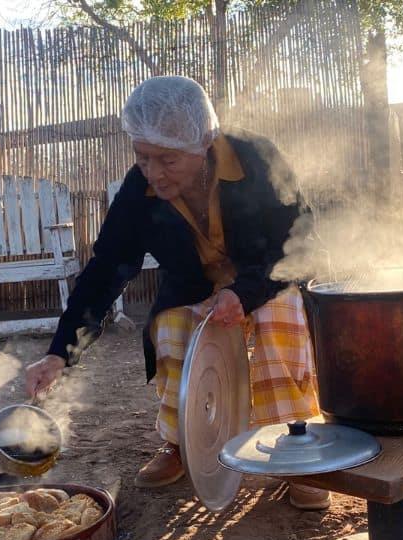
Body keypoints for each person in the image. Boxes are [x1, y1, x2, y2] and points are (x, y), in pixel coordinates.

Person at [23, 76, 329, 509]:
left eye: (167, 159)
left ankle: (298, 447)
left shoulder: (256, 159)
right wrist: (61, 353)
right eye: (142, 157)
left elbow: (299, 240)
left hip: (266, 278)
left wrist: (245, 293)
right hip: (195, 287)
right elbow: (107, 268)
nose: (153, 172)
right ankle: (181, 443)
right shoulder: (139, 190)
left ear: (204, 142)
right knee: (170, 325)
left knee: (277, 318)